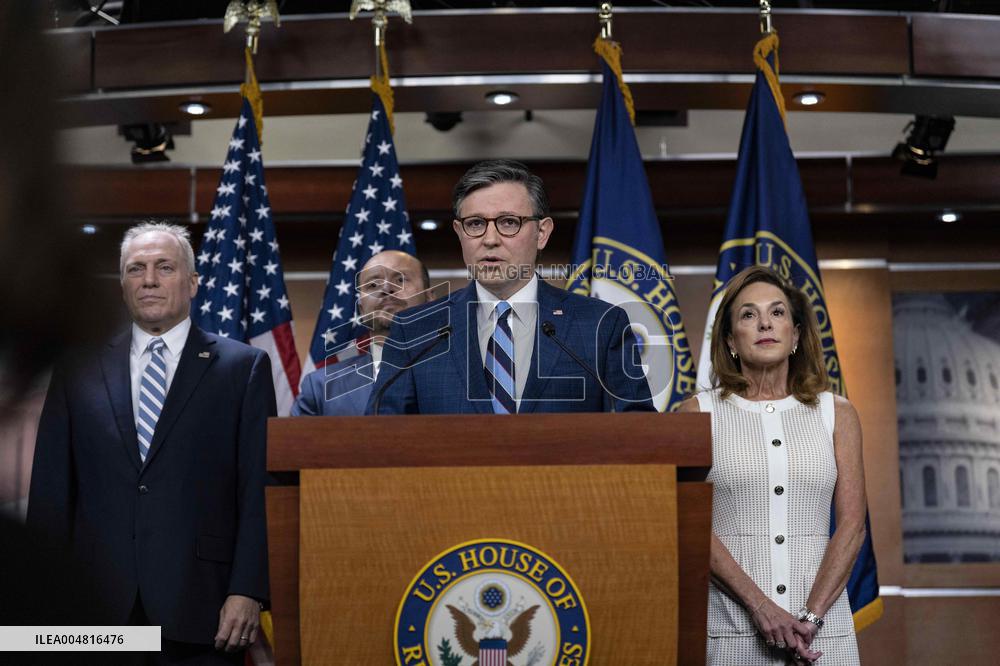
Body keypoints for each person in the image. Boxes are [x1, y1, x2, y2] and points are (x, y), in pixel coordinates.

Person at [27, 222, 276, 663]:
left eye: (165, 267)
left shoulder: (244, 368)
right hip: (96, 612)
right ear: (122, 285)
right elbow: (52, 491)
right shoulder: (77, 368)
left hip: (204, 606)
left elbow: (257, 489)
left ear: (193, 282)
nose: (149, 280)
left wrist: (248, 590)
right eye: (135, 269)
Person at [678, 265, 865, 665]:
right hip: (733, 630)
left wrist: (810, 618)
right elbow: (686, 522)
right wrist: (761, 607)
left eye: (777, 312)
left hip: (823, 634)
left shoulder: (838, 413)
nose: (765, 322)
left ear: (796, 334)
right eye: (748, 314)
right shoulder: (697, 412)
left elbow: (852, 526)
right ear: (730, 339)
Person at [366, 159, 653, 414]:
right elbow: (381, 438)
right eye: (476, 223)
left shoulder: (600, 324)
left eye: (508, 222)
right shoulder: (415, 329)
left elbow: (639, 431)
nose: (490, 239)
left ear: (542, 233)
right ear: (459, 233)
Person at [292, 250, 434, 416]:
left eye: (401, 279)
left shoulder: (465, 373)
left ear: (430, 297)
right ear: (361, 309)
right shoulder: (320, 388)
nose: (387, 288)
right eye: (373, 285)